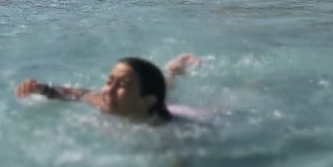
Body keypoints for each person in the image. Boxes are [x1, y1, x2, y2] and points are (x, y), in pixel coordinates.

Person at [15, 55, 201, 124]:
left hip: (178, 113)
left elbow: (182, 162)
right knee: (163, 91)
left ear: (146, 100)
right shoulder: (105, 101)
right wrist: (41, 89)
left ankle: (170, 73)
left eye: (121, 85)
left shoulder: (165, 129)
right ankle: (171, 71)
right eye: (109, 81)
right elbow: (76, 94)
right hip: (149, 102)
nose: (108, 90)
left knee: (165, 96)